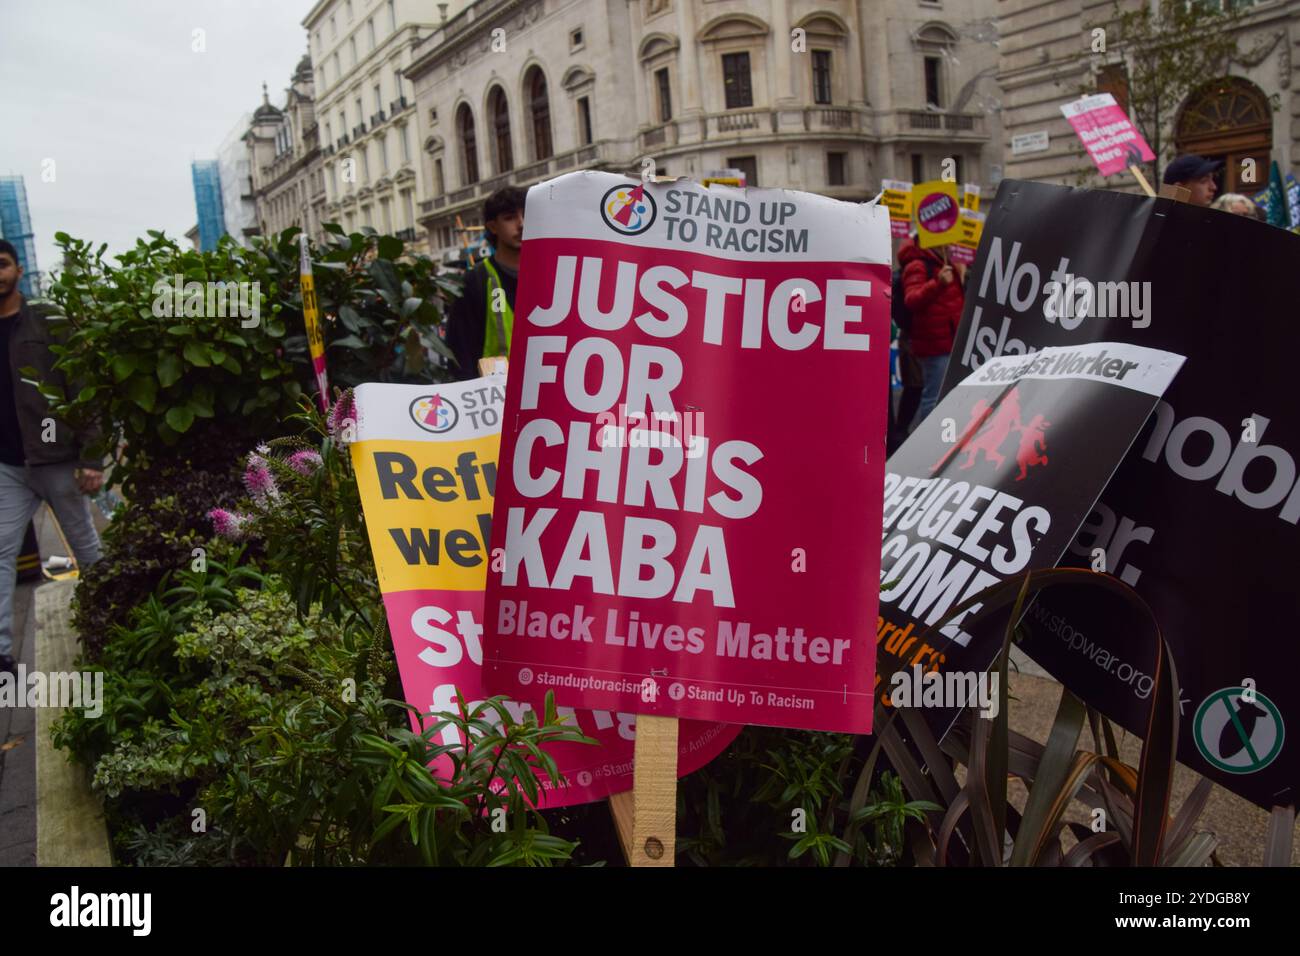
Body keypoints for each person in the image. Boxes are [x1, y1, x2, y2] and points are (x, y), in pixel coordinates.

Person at [0, 240, 104, 675]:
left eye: (2, 265)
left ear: (19, 270)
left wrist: (93, 456)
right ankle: (2, 655)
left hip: (57, 457)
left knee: (86, 547)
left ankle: (107, 622)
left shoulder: (46, 319)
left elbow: (83, 385)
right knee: (1, 553)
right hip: (7, 464)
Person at [446, 187, 526, 380]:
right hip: (495, 401)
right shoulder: (475, 282)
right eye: (510, 217)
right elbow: (460, 354)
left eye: (527, 215)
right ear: (492, 227)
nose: (522, 224)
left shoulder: (553, 274)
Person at [898, 235, 965, 428]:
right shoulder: (918, 264)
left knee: (944, 395)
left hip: (949, 339)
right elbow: (912, 299)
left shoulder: (942, 260)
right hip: (934, 343)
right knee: (933, 398)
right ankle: (926, 445)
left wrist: (960, 277)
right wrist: (938, 283)